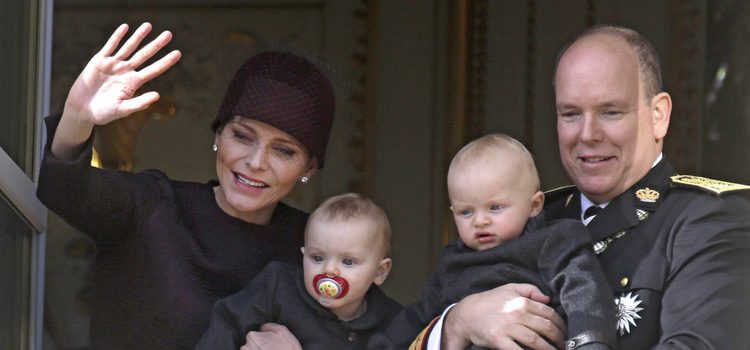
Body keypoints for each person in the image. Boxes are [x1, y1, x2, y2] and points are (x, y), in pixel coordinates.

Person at [414, 24, 750, 350]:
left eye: (611, 112)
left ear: (658, 115)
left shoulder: (712, 219)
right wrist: (458, 321)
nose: (587, 134)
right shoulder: (530, 216)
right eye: (571, 114)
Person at [36, 22, 336, 349]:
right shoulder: (153, 206)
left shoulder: (323, 250)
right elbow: (65, 188)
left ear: (309, 166)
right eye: (242, 136)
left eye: (283, 150)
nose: (256, 162)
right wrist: (78, 117)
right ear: (218, 135)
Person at [383, 134, 614, 349]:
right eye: (466, 212)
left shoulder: (554, 242)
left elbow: (584, 297)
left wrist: (588, 343)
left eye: (495, 208)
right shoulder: (453, 261)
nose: (480, 221)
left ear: (534, 206)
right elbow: (417, 318)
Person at [194, 193, 402, 349]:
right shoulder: (279, 285)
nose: (329, 269)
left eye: (348, 261)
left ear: (380, 272)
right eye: (317, 258)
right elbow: (229, 321)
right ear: (303, 256)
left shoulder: (395, 323)